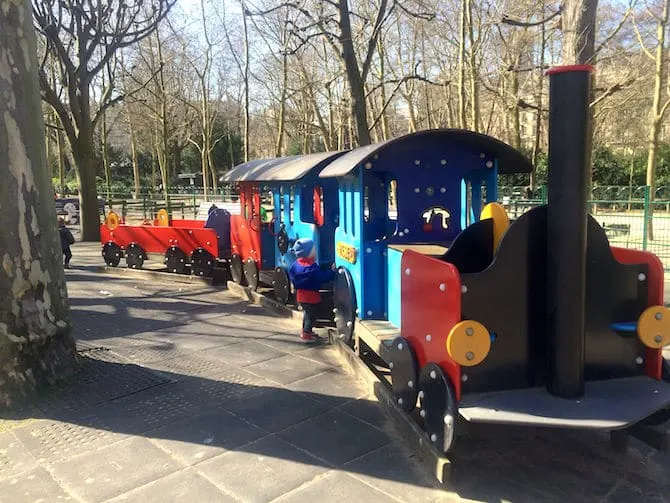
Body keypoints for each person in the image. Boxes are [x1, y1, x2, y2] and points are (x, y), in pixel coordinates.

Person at [288, 238, 336, 342]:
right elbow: (322, 277)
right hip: (311, 297)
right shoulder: (312, 268)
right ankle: (307, 334)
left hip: (300, 296)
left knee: (306, 314)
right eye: (313, 250)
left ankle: (305, 331)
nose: (315, 251)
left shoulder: (295, 265)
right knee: (311, 316)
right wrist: (332, 272)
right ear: (309, 253)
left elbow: (292, 276)